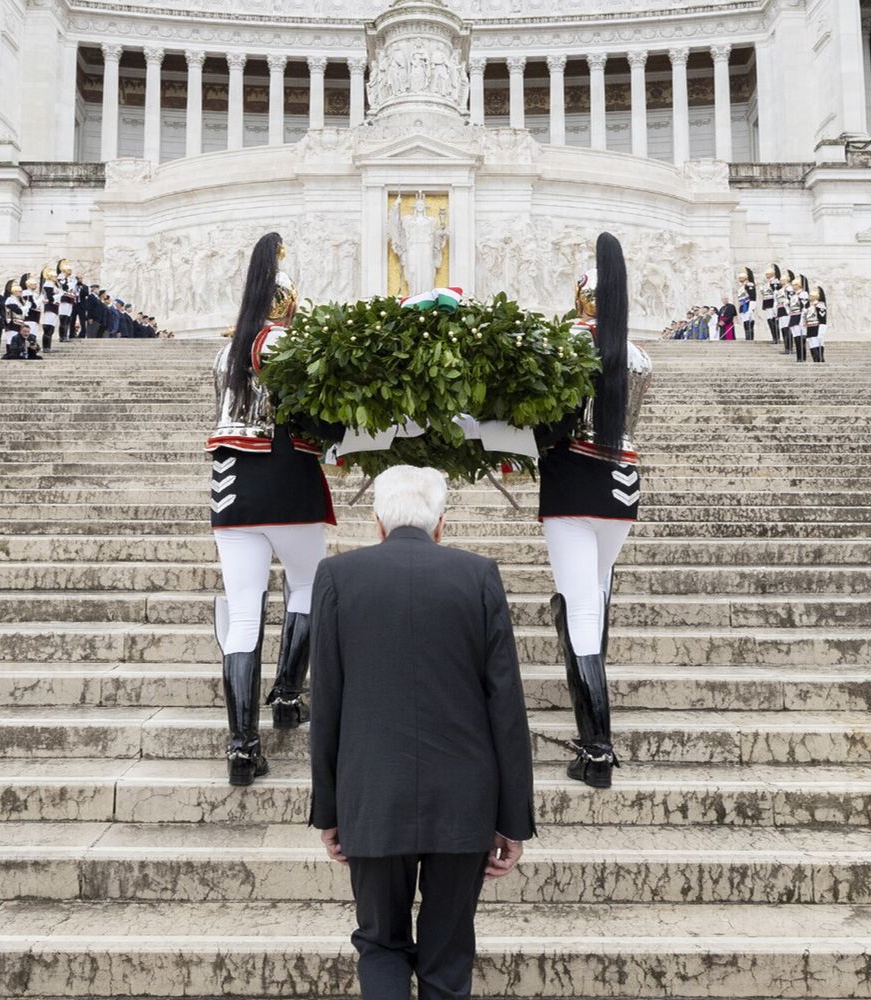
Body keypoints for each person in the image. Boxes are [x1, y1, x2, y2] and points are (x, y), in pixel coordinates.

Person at [310, 465, 534, 1000]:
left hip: (373, 792)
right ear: (441, 523)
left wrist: (330, 810)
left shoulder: (337, 577)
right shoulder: (478, 575)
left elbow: (327, 702)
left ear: (377, 522)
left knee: (381, 943)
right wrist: (514, 819)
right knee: (448, 951)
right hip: (463, 797)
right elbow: (506, 704)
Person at [208, 233, 338, 785]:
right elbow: (318, 421)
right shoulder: (288, 348)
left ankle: (242, 746)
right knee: (305, 588)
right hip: (288, 486)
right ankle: (286, 693)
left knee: (242, 613)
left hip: (231, 490)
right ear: (287, 304)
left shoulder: (226, 350)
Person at [535, 232, 652, 790]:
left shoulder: (568, 345)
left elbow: (551, 424)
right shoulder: (636, 353)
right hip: (622, 485)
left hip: (573, 486)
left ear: (582, 298)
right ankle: (593, 735)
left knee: (581, 608)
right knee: (597, 596)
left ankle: (598, 747)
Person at [788, 273, 808, 362]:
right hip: (793, 316)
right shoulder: (794, 295)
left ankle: (802, 356)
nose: (792, 286)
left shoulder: (803, 294)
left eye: (794, 285)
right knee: (796, 337)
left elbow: (805, 306)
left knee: (801, 337)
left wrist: (803, 318)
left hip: (800, 316)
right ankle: (799, 357)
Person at [805, 285, 828, 362]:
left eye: (811, 296)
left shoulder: (820, 305)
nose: (809, 297)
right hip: (810, 327)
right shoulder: (810, 306)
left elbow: (822, 318)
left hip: (816, 327)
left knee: (817, 343)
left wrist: (822, 329)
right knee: (812, 344)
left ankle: (819, 360)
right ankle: (815, 359)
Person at [40, 264, 60, 350]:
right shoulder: (48, 284)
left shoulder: (53, 284)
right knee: (48, 327)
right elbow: (49, 297)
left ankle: (48, 346)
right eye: (54, 276)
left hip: (54, 307)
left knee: (51, 327)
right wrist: (58, 296)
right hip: (50, 307)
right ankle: (45, 347)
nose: (56, 278)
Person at [761, 264, 782, 346]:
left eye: (768, 274)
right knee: (770, 320)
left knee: (773, 320)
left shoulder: (775, 282)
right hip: (767, 303)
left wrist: (775, 304)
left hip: (772, 302)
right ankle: (774, 337)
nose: (766, 276)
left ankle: (776, 338)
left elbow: (776, 294)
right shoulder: (768, 283)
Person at [737, 267, 755, 341]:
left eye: (741, 277)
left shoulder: (749, 285)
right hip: (742, 305)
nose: (739, 279)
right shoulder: (741, 287)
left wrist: (751, 307)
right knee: (745, 322)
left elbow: (753, 297)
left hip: (748, 305)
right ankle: (747, 337)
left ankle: (750, 338)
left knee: (749, 322)